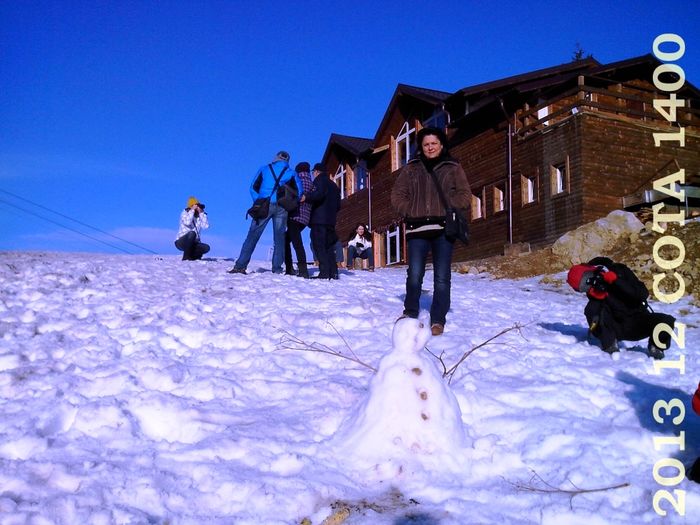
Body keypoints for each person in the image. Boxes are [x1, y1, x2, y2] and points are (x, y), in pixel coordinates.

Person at [390, 127, 471, 336]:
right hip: (416, 229)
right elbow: (397, 195)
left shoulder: (453, 167)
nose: (430, 147)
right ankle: (410, 312)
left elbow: (465, 196)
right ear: (421, 147)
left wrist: (444, 208)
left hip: (443, 230)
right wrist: (410, 210)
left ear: (441, 144)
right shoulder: (411, 169)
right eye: (426, 144)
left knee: (442, 277)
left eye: (434, 143)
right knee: (415, 274)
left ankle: (438, 320)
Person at [567, 256, 676, 359]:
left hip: (637, 322)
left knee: (666, 321)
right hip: (614, 328)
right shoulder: (593, 287)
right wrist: (599, 297)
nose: (588, 288)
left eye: (586, 282)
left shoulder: (620, 271)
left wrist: (617, 281)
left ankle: (656, 347)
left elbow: (642, 294)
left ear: (591, 272)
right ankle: (609, 344)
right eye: (581, 288)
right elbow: (597, 314)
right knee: (592, 308)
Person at [229, 151, 302, 275]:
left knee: (252, 236)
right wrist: (289, 203)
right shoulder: (291, 173)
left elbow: (253, 187)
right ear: (287, 161)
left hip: (263, 205)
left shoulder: (264, 169)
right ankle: (277, 269)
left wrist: (258, 200)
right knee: (279, 238)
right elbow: (299, 192)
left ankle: (240, 266)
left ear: (276, 158)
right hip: (282, 207)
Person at [303, 163, 341, 280]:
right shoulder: (334, 185)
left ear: (317, 171)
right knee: (329, 247)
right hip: (331, 221)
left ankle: (324, 272)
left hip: (319, 220)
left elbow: (318, 195)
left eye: (313, 172)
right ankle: (333, 272)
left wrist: (306, 197)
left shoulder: (319, 182)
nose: (313, 174)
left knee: (319, 246)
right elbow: (338, 205)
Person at [284, 162, 314, 278]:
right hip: (305, 219)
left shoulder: (295, 180)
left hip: (294, 215)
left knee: (296, 243)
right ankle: (293, 268)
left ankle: (299, 270)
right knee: (289, 240)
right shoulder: (312, 184)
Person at [175, 196, 210, 261]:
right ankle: (186, 258)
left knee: (206, 247)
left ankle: (193, 256)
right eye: (196, 206)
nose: (198, 208)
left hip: (194, 242)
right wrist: (192, 210)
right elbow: (187, 222)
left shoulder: (200, 216)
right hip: (181, 242)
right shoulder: (185, 213)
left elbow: (206, 226)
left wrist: (201, 213)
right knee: (192, 233)